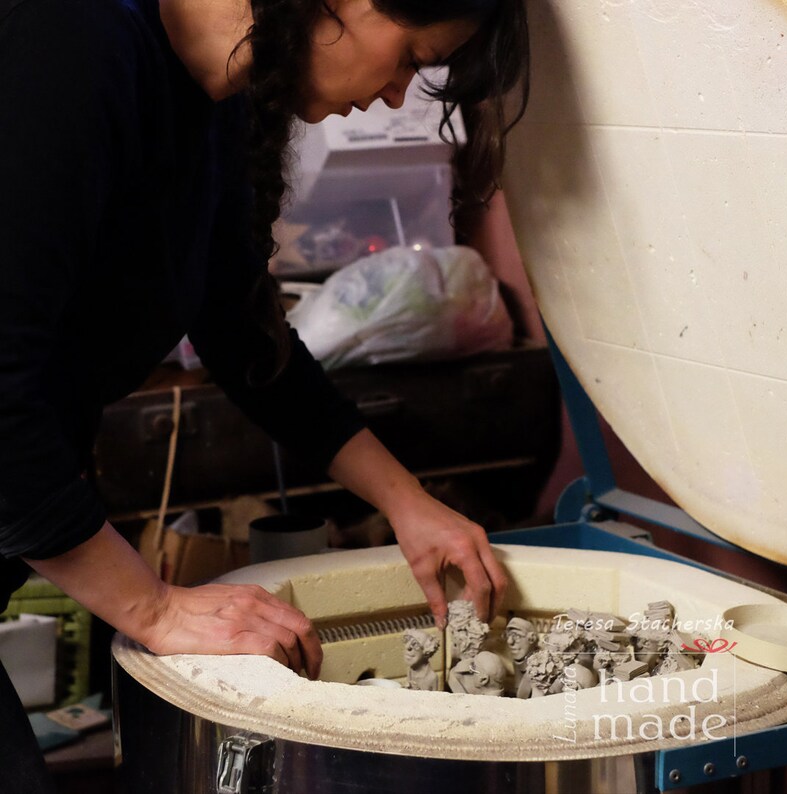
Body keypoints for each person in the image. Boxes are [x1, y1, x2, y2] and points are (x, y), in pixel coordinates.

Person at [0, 0, 529, 787]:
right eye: (413, 58)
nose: (394, 97)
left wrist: (408, 502)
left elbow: (247, 338)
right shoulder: (67, 41)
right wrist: (153, 608)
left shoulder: (215, 98)